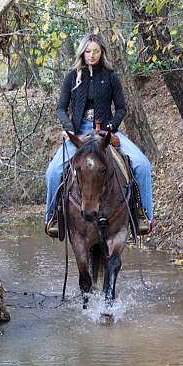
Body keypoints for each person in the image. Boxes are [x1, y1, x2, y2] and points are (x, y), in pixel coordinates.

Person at [44, 33, 154, 237]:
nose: (91, 55)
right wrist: (69, 128)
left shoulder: (111, 76)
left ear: (101, 52)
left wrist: (111, 127)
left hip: (106, 132)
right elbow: (61, 107)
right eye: (88, 51)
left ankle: (142, 215)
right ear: (82, 53)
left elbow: (121, 108)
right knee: (53, 172)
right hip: (78, 134)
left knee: (142, 164)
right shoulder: (71, 76)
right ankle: (53, 217)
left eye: (95, 51)